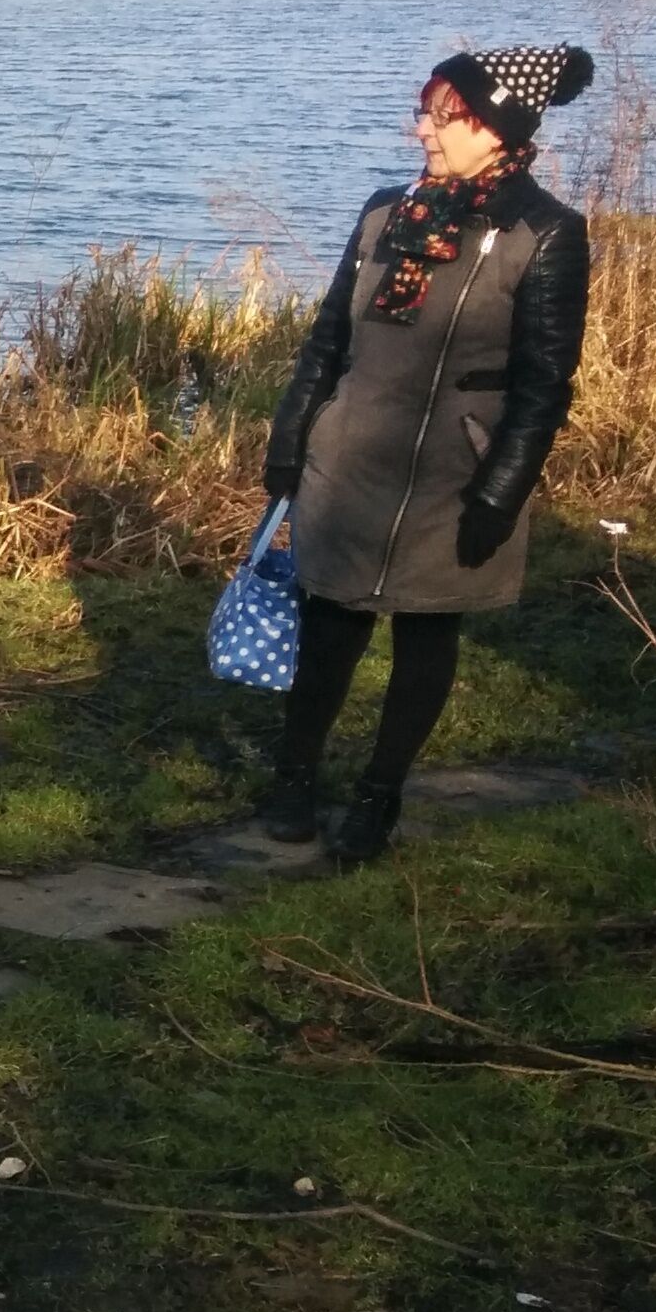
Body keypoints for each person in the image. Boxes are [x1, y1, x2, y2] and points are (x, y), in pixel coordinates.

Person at [257, 43, 596, 863]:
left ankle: (379, 795)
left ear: (497, 128)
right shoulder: (386, 213)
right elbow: (327, 342)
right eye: (425, 114)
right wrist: (292, 438)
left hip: (458, 473)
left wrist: (501, 491)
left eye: (445, 117)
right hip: (353, 456)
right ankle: (294, 774)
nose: (422, 131)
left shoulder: (546, 234)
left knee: (426, 633)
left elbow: (544, 384)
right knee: (330, 621)